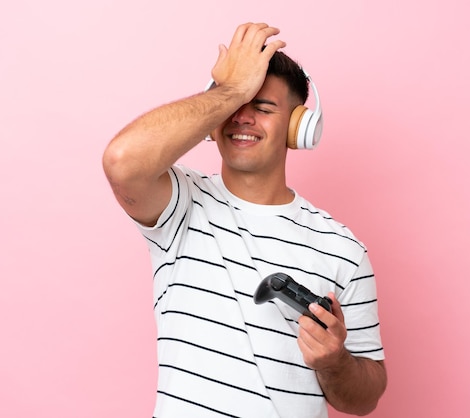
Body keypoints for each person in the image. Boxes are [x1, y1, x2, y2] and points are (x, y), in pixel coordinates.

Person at [102, 22, 387, 418]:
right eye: (234, 107)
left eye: (263, 107)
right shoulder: (181, 204)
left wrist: (334, 360)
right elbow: (121, 160)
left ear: (297, 127)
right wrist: (230, 89)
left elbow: (365, 397)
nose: (242, 118)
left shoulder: (342, 248)